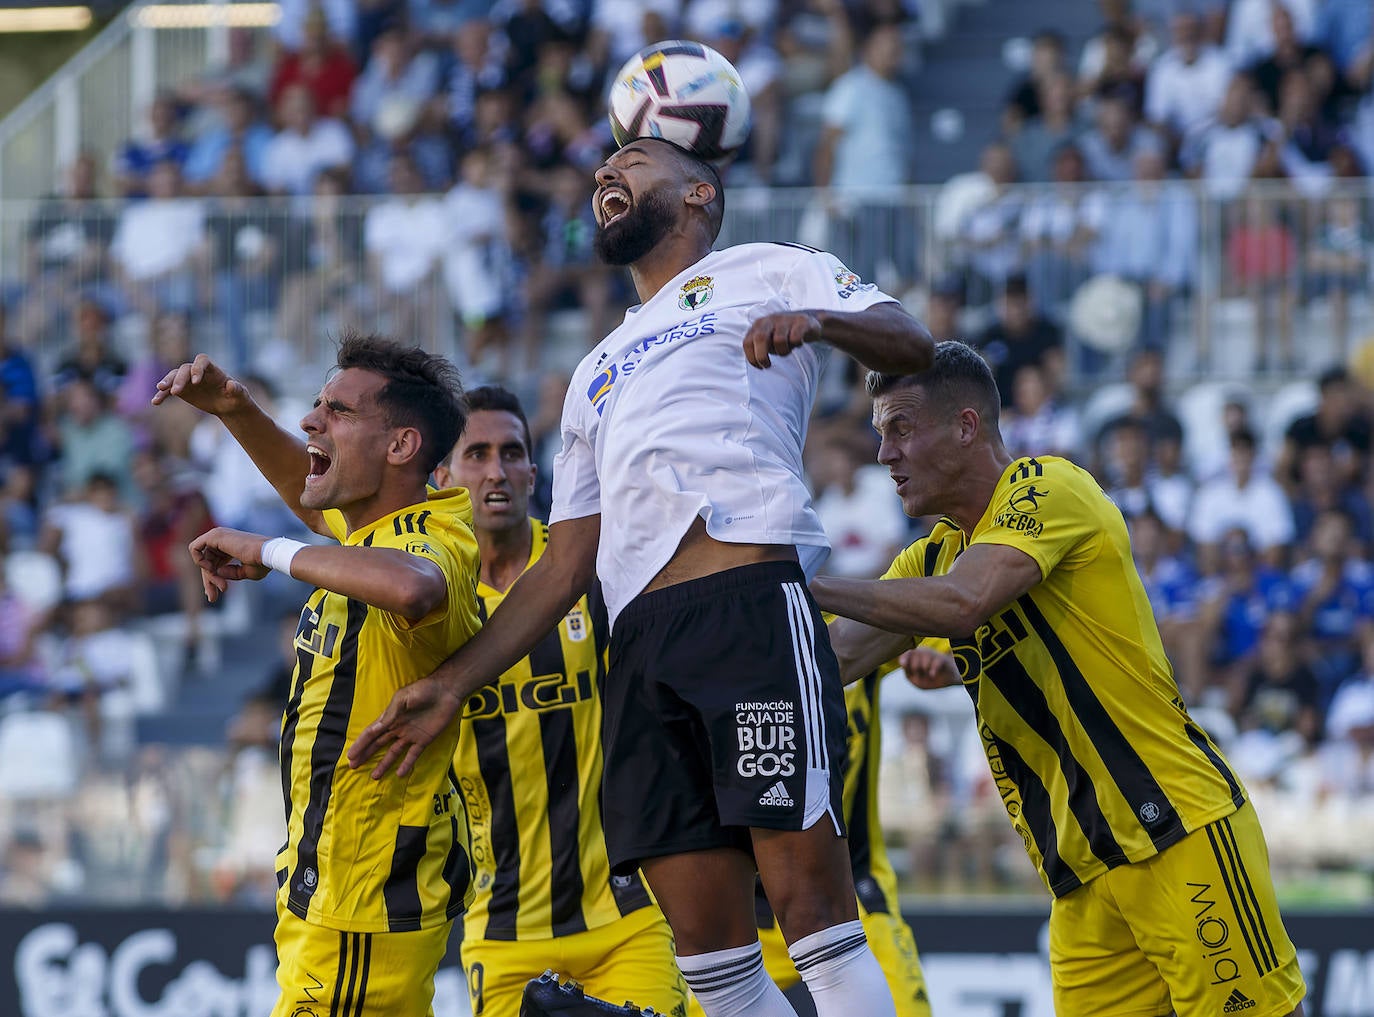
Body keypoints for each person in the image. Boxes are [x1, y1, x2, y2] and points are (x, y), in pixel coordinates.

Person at [348, 135, 934, 1017]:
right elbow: (565, 563)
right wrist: (451, 683)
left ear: (700, 193)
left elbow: (912, 341)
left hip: (746, 607)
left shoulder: (768, 268)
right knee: (714, 963)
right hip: (642, 649)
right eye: (600, 170)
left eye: (635, 161)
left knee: (814, 919)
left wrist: (818, 323)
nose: (604, 174)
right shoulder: (592, 373)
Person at [808, 340, 1307, 1017]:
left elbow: (965, 602)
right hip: (1078, 877)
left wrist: (804, 581)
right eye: (878, 433)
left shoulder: (1047, 486)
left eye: (901, 427)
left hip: (1175, 833)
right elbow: (831, 662)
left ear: (965, 425)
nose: (884, 454)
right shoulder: (932, 556)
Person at [150, 336, 482, 1016]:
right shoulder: (369, 536)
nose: (311, 421)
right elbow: (309, 499)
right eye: (314, 405)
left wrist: (269, 548)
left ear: (399, 448)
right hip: (336, 899)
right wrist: (235, 409)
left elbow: (414, 587)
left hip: (360, 907)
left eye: (338, 410)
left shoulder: (428, 541)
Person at [428, 385, 686, 1017]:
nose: (496, 471)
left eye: (512, 453)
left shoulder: (591, 569)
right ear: (442, 477)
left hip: (626, 915)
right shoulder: (430, 602)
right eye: (477, 454)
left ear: (534, 471)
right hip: (503, 930)